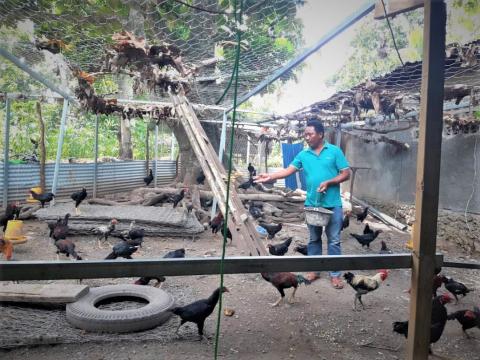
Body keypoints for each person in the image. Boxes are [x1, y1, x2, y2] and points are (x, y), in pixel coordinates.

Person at [255, 118, 350, 289]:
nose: (306, 137)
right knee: (314, 239)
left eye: (310, 134)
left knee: (334, 240)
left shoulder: (334, 151)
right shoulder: (303, 155)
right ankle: (314, 270)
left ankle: (335, 275)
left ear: (320, 134)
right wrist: (271, 176)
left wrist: (329, 182)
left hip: (333, 204)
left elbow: (346, 173)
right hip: (312, 204)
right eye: (305, 134)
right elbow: (288, 171)